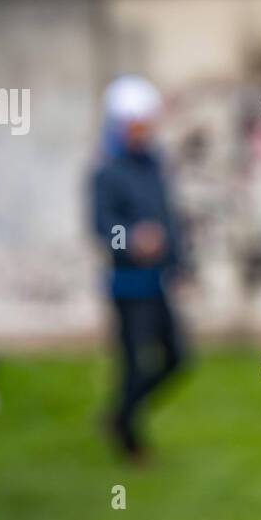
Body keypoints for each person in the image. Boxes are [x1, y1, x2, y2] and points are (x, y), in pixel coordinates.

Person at [91, 75, 188, 460]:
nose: (142, 132)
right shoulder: (106, 173)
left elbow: (168, 219)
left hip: (157, 283)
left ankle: (118, 414)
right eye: (136, 125)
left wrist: (180, 263)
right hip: (127, 287)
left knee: (176, 359)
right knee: (133, 365)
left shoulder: (154, 167)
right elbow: (102, 227)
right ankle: (130, 440)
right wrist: (131, 239)